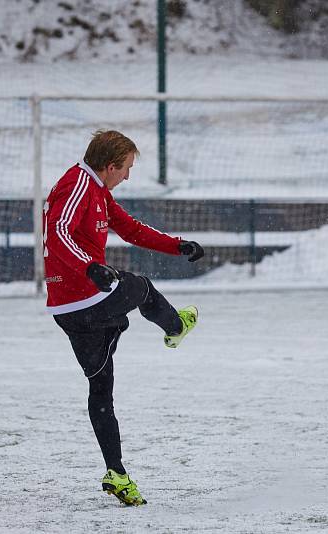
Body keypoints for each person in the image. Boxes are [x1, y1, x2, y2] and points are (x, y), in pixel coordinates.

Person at [43, 130, 205, 505]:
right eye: (127, 168)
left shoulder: (97, 190)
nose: (128, 176)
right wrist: (90, 268)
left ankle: (117, 473)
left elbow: (129, 229)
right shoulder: (78, 184)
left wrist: (176, 245)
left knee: (101, 390)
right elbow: (58, 232)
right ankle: (176, 326)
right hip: (83, 297)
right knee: (141, 287)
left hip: (71, 309)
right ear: (110, 165)